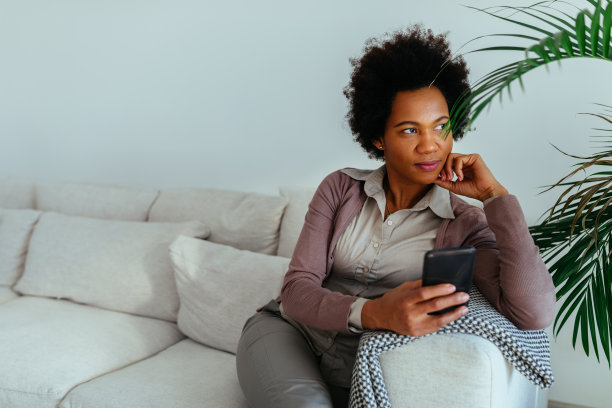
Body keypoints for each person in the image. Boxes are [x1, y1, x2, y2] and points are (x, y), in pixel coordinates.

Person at [235, 25, 556, 408]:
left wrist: (494, 196)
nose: (430, 144)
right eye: (409, 130)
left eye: (441, 126)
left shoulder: (464, 224)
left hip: (367, 360)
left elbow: (532, 313)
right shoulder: (339, 189)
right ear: (378, 137)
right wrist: (372, 312)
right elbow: (295, 292)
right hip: (289, 335)